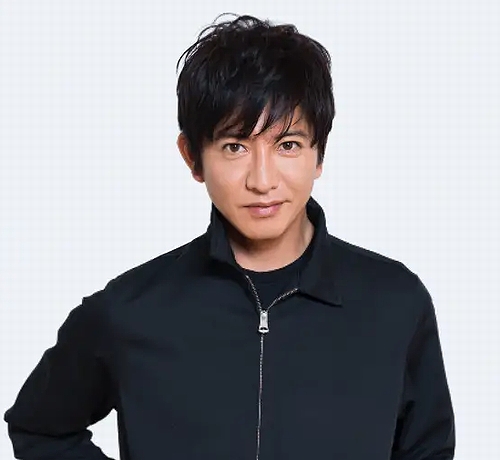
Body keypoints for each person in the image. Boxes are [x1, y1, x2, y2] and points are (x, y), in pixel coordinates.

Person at [4, 14, 455, 460]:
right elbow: (40, 429)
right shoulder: (130, 310)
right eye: (234, 147)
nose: (262, 180)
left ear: (319, 154)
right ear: (193, 157)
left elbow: (427, 450)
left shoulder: (395, 302)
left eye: (288, 145)